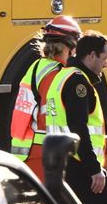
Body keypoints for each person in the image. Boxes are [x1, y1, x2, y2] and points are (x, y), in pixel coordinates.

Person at [46, 31, 107, 204]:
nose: (106, 64)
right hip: (83, 168)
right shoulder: (79, 82)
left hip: (65, 163)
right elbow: (78, 128)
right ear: (91, 55)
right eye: (104, 58)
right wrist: (94, 169)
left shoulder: (63, 76)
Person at [9, 16, 81, 179]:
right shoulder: (55, 74)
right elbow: (50, 115)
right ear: (69, 45)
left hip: (27, 149)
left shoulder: (37, 67)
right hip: (44, 150)